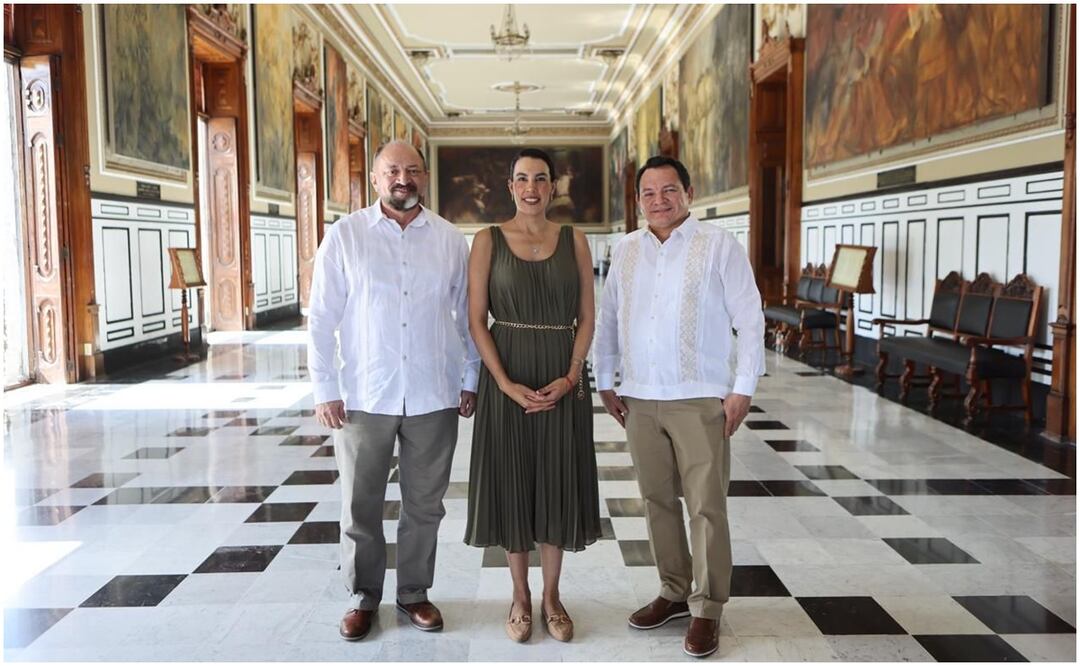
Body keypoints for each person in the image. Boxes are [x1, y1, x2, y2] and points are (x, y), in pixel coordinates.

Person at [307, 140, 480, 642]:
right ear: (376, 178)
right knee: (361, 504)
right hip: (365, 394)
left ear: (425, 177)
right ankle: (364, 597)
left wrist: (470, 378)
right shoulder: (345, 236)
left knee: (425, 504)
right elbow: (321, 318)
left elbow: (467, 316)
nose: (402, 178)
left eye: (412, 170)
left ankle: (414, 594)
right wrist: (325, 388)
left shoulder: (449, 239)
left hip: (434, 391)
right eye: (392, 171)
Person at [594, 156, 765, 658]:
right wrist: (606, 381)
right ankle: (673, 591)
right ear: (639, 201)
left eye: (669, 190)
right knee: (656, 500)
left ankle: (707, 608)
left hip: (698, 397)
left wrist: (742, 387)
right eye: (649, 193)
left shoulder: (718, 246)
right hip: (641, 397)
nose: (659, 200)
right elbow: (608, 320)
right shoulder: (626, 250)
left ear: (688, 192)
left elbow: (750, 319)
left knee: (706, 506)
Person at [464, 148, 602, 643]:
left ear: (552, 187)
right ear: (510, 186)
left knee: (557, 481)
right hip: (508, 378)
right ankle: (520, 596)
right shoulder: (486, 241)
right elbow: (477, 320)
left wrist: (571, 375)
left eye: (540, 179)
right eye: (522, 179)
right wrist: (502, 383)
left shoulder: (576, 240)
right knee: (513, 482)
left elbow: (587, 316)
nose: (531, 188)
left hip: (563, 380)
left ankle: (553, 597)